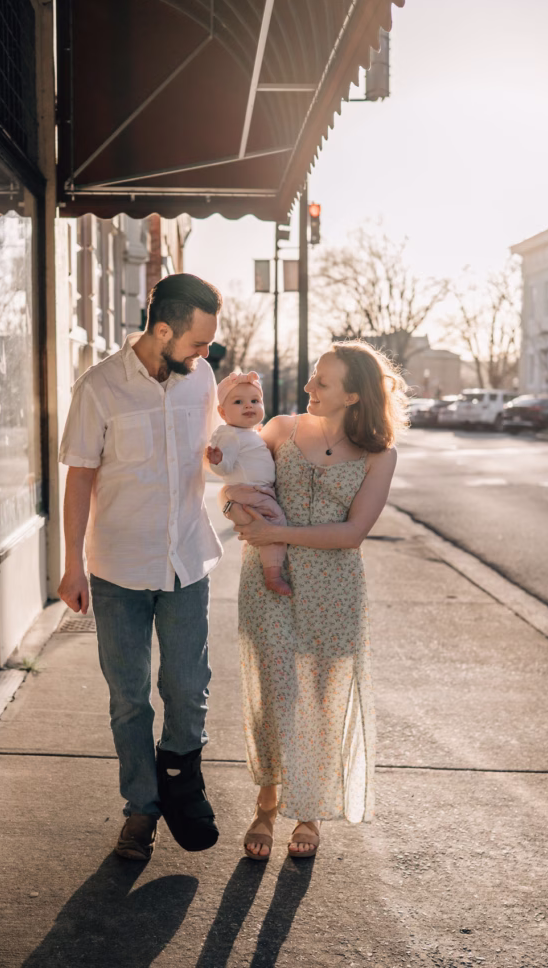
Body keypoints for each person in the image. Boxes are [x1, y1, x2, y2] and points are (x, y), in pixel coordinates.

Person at [58, 273, 223, 862]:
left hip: (187, 560)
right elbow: (80, 476)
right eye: (199, 343)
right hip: (118, 570)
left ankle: (180, 781)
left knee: (187, 687)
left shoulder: (200, 379)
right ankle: (141, 809)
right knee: (129, 698)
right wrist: (71, 565)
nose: (207, 354)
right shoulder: (99, 387)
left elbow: (214, 451)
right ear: (161, 330)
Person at [234, 340, 406, 860]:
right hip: (270, 583)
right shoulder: (281, 429)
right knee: (276, 693)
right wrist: (238, 513)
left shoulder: (380, 455)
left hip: (335, 589)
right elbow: (236, 483)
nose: (308, 387)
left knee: (321, 702)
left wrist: (278, 535)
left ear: (354, 397)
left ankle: (307, 813)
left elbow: (354, 533)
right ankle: (266, 805)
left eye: (322, 382)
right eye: (311, 377)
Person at [206, 370, 291, 597]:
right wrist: (218, 461)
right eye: (238, 402)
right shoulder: (230, 435)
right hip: (247, 491)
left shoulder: (246, 433)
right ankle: (272, 575)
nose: (248, 406)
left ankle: (271, 567)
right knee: (275, 522)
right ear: (222, 412)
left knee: (266, 523)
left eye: (255, 400)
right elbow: (225, 469)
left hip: (254, 491)